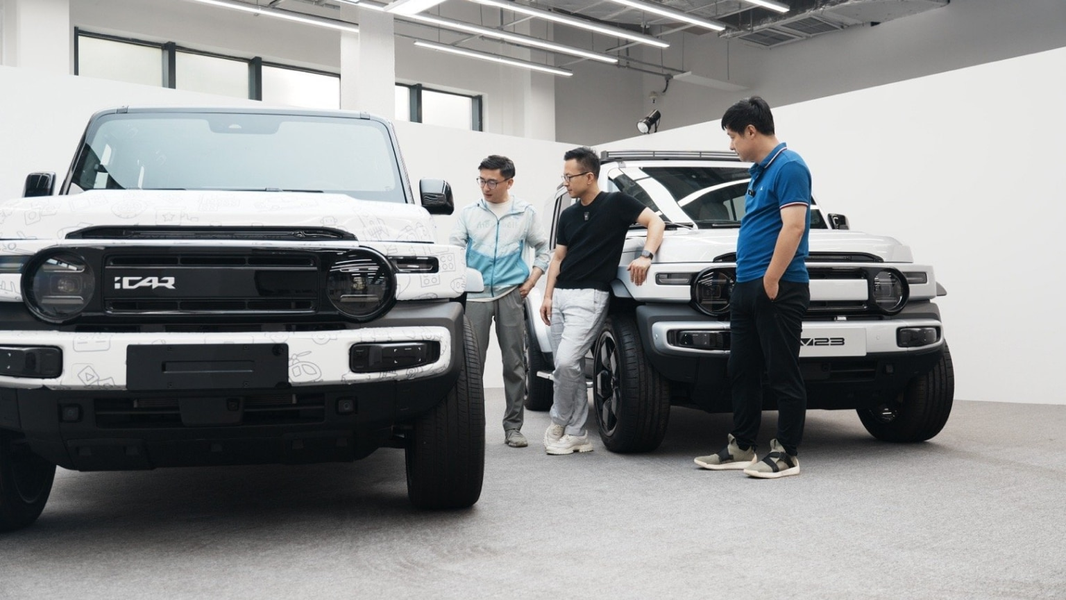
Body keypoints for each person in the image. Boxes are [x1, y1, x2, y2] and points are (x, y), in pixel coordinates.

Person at [694, 96, 812, 479]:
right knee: (741, 369)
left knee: (782, 372)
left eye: (732, 137)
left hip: (778, 285)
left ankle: (787, 453)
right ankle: (742, 445)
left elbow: (794, 226)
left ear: (750, 131)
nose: (731, 145)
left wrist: (771, 278)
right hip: (747, 285)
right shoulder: (760, 172)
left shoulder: (789, 166)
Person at [539, 147, 665, 455]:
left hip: (591, 296)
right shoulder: (568, 215)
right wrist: (547, 295)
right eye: (563, 176)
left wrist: (646, 256)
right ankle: (577, 433)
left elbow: (655, 222)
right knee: (566, 366)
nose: (565, 182)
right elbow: (558, 258)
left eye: (569, 177)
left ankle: (560, 421)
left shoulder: (617, 203)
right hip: (561, 295)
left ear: (589, 176)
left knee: (566, 362)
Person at [450, 155, 550, 448]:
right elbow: (454, 250)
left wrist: (530, 282)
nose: (485, 187)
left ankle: (513, 427)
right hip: (475, 297)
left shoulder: (525, 213)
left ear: (509, 182)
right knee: (471, 367)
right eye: (481, 180)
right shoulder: (469, 213)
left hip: (510, 295)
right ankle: (471, 429)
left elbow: (544, 250)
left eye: (492, 182)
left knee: (514, 364)